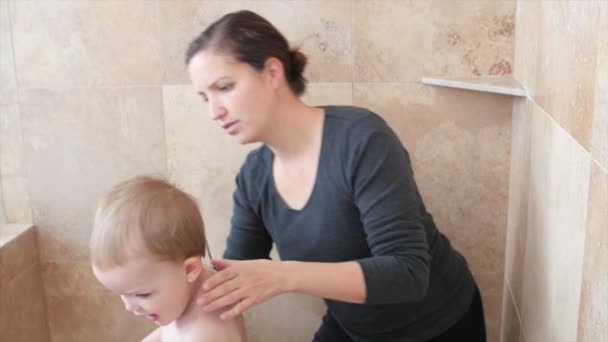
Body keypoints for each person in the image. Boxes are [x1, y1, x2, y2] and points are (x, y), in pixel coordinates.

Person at [185, 10, 486, 342]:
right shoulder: (253, 177)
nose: (214, 111)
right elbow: (232, 276)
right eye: (205, 97)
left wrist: (284, 276)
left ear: (272, 72)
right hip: (353, 326)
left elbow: (408, 273)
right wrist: (158, 289)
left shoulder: (362, 140)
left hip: (437, 326)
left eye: (224, 87)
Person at [90, 175, 247, 342]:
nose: (129, 307)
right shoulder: (184, 293)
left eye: (143, 295)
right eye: (122, 294)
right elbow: (169, 330)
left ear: (190, 269)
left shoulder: (205, 333)